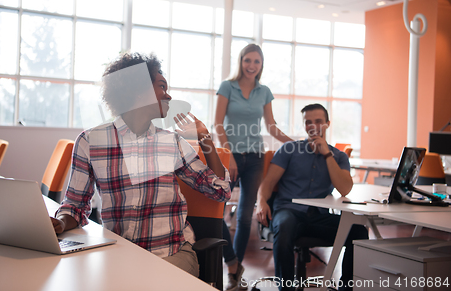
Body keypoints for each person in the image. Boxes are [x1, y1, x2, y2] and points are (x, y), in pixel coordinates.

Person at [52, 52, 231, 276]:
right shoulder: (90, 141)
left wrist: (205, 137)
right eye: (162, 87)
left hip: (171, 254)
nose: (168, 95)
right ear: (139, 89)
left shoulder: (171, 142)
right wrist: (59, 223)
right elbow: (75, 207)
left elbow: (220, 191)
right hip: (118, 256)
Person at [256, 103, 368, 291]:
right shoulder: (289, 149)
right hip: (288, 211)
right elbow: (267, 182)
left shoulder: (339, 157)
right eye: (308, 122)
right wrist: (260, 202)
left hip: (318, 216)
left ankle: (347, 288)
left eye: (318, 121)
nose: (313, 126)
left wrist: (326, 154)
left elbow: (345, 189)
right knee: (284, 226)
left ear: (327, 124)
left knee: (358, 231)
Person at [214, 43, 293, 290]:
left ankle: (234, 273)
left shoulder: (264, 91)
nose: (251, 66)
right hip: (231, 157)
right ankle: (232, 261)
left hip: (256, 157)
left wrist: (296, 143)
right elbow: (217, 124)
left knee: (245, 217)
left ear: (261, 65)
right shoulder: (227, 87)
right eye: (248, 60)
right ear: (241, 61)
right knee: (218, 212)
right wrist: (230, 156)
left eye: (256, 62)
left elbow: (270, 127)